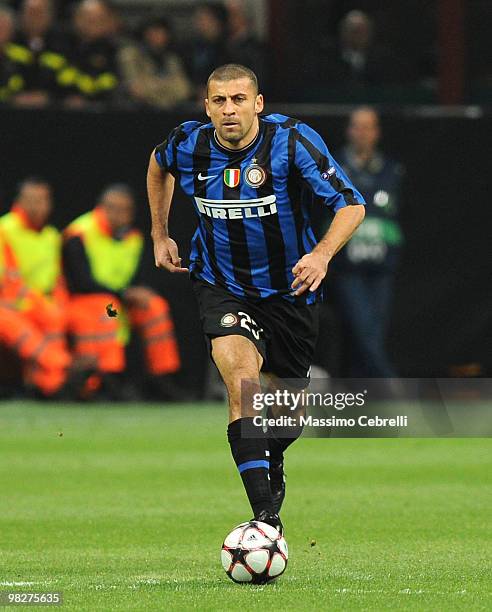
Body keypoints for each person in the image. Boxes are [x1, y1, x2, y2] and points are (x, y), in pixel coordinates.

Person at [146, 64, 365, 532]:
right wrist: (160, 233)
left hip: (290, 292)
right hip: (221, 285)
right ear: (206, 107)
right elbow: (157, 164)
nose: (229, 110)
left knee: (286, 419)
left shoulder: (293, 142)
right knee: (241, 379)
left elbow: (352, 204)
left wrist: (322, 254)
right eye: (219, 101)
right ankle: (264, 519)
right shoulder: (189, 143)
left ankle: (269, 458)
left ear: (258, 103)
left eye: (239, 100)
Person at [62, 184, 185, 401]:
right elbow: (80, 281)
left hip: (121, 300)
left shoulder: (133, 238)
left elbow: (138, 278)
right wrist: (124, 294)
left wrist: (137, 293)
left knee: (154, 306)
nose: (120, 215)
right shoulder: (79, 233)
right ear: (101, 208)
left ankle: (163, 378)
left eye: (125, 210)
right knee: (108, 309)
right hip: (87, 302)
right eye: (114, 209)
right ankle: (109, 381)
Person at [329, 107, 404, 378]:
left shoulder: (391, 169)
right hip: (348, 268)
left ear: (377, 132)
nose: (362, 133)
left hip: (381, 267)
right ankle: (392, 386)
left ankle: (364, 392)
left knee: (373, 331)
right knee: (361, 328)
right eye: (357, 126)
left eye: (368, 126)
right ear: (349, 130)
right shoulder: (333, 168)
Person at [0, 178, 92, 397]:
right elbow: (7, 283)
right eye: (31, 200)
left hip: (40, 304)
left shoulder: (51, 236)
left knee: (62, 315)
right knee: (13, 322)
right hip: (10, 305)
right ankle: (66, 365)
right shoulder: (4, 229)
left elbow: (57, 280)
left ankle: (57, 386)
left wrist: (57, 304)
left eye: (42, 200)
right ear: (19, 201)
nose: (37, 206)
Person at [117, 17, 191, 109]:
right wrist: (166, 86)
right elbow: (136, 89)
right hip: (138, 111)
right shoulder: (130, 55)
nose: (156, 36)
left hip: (171, 110)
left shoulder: (172, 59)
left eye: (161, 32)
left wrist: (154, 87)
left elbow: (183, 90)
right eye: (152, 32)